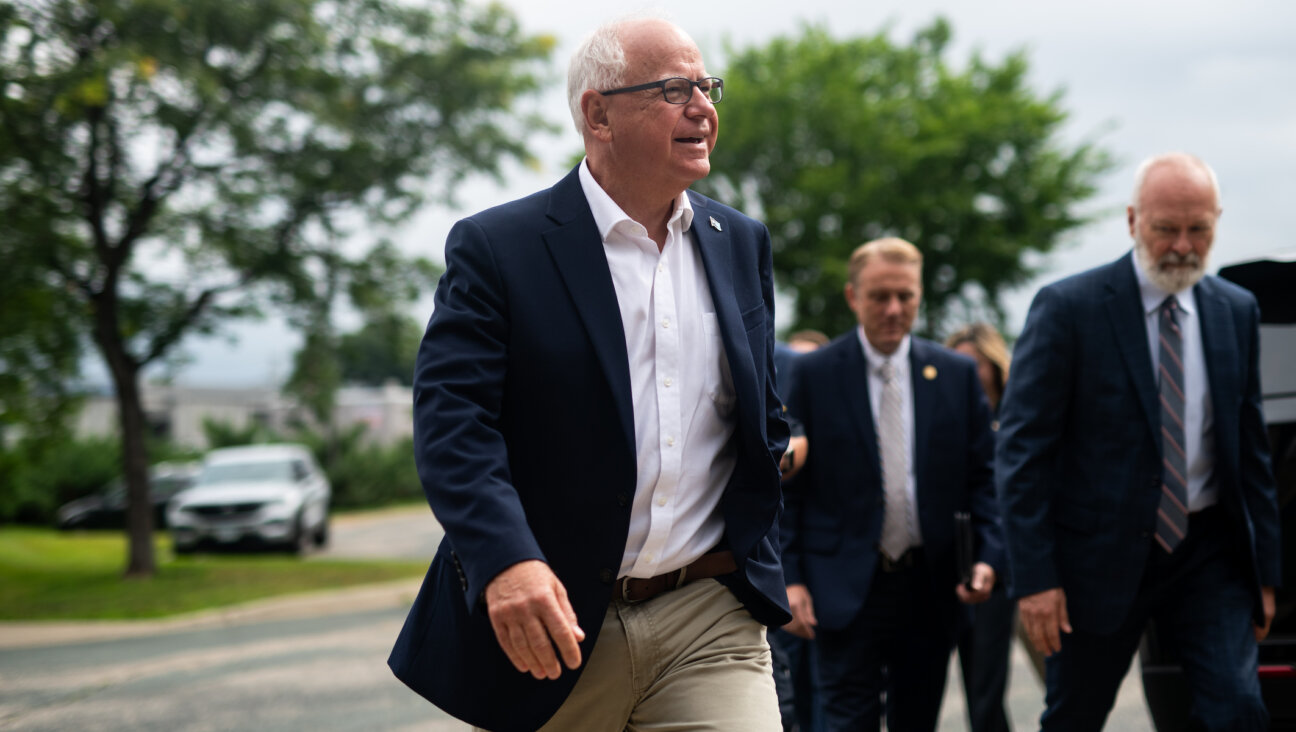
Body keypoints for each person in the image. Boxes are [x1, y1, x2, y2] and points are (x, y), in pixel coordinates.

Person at [387, 15, 791, 732]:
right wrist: (505, 562)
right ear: (598, 114)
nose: (703, 108)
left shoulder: (740, 242)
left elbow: (758, 410)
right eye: (675, 90)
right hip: (556, 629)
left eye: (707, 87)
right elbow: (454, 425)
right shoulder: (499, 249)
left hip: (709, 617)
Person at [996, 152, 1280, 730]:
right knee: (1075, 715)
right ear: (1132, 221)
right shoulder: (1068, 308)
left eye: (1199, 229)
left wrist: (1266, 576)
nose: (1183, 246)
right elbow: (1022, 454)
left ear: (1217, 221)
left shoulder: (1235, 311)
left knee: (1237, 708)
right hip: (1094, 559)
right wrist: (1037, 579)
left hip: (1208, 554)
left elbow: (1251, 452)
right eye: (1165, 228)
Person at [780, 238, 1003, 732]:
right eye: (879, 296)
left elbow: (984, 478)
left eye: (906, 296)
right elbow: (790, 489)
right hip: (842, 588)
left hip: (931, 587)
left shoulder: (956, 374)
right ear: (852, 296)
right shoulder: (814, 373)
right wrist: (790, 580)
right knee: (844, 722)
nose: (894, 309)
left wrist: (987, 556)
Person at [945, 323, 1015, 732]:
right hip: (954, 558)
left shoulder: (1015, 418)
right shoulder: (947, 419)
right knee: (973, 681)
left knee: (987, 682)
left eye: (976, 365)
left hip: (1001, 561)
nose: (968, 374)